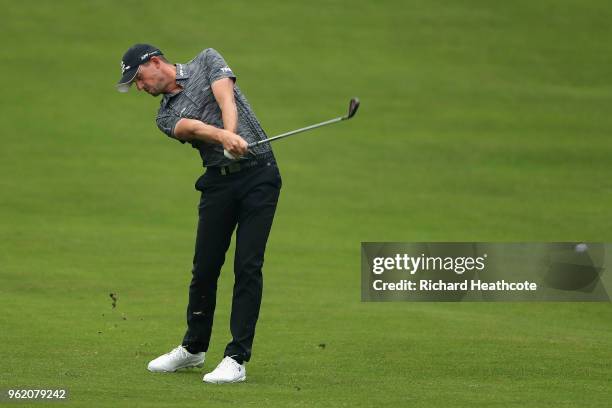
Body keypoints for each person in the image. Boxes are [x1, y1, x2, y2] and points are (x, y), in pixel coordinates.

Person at [116, 44, 282, 384]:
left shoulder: (207, 60)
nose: (140, 87)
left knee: (247, 265)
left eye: (139, 78)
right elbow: (191, 128)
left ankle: (236, 358)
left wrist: (232, 134)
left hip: (259, 176)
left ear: (156, 63)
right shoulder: (164, 116)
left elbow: (226, 98)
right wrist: (222, 137)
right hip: (218, 185)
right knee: (204, 267)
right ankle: (194, 348)